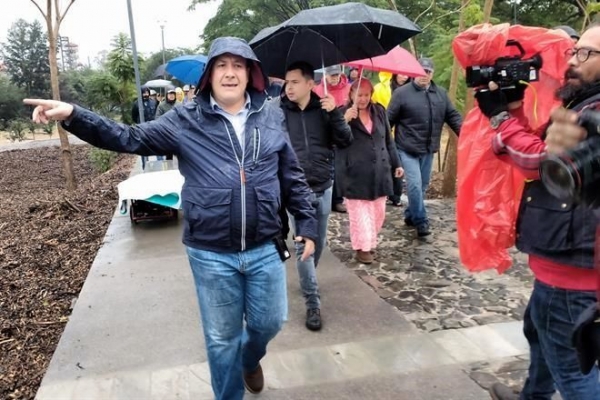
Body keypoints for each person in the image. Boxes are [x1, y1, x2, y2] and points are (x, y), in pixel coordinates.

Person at [24, 36, 317, 400]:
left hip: (264, 247)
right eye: (222, 66)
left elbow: (290, 174)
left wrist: (307, 223)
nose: (230, 73)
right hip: (211, 253)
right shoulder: (186, 118)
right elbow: (127, 137)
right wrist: (74, 115)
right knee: (221, 339)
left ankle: (250, 357)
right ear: (210, 75)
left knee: (269, 323)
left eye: (238, 65)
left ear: (250, 73)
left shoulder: (270, 116)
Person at [473, 23, 600, 400]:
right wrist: (512, 108)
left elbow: (542, 162)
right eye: (575, 51)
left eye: (587, 54)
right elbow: (540, 144)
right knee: (540, 334)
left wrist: (499, 120)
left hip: (573, 271)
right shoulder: (582, 103)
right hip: (565, 262)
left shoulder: (593, 111)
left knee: (574, 371)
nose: (573, 61)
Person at [278, 61, 353, 331]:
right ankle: (313, 302)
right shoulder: (279, 112)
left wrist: (335, 114)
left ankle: (308, 275)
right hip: (295, 191)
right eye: (287, 82)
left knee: (318, 243)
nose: (289, 87)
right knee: (303, 245)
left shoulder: (325, 109)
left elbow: (345, 140)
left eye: (295, 82)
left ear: (311, 84)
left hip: (323, 185)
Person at [387, 57, 462, 237]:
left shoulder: (441, 94)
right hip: (406, 148)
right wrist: (382, 144)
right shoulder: (402, 93)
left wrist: (467, 135)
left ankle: (410, 214)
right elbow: (387, 121)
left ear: (432, 74)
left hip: (428, 148)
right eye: (420, 72)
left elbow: (453, 117)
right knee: (414, 185)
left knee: (422, 186)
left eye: (427, 72)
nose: (423, 75)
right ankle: (421, 221)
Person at [339, 79, 403, 264]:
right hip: (355, 172)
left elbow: (388, 140)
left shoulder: (380, 111)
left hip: (379, 170)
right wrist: (345, 121)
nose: (363, 99)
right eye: (359, 95)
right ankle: (362, 248)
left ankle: (367, 242)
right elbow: (335, 139)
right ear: (351, 94)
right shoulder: (342, 114)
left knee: (378, 212)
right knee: (360, 213)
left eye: (366, 95)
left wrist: (396, 164)